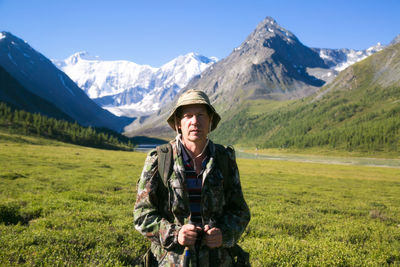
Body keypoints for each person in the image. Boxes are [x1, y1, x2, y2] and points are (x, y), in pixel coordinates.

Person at [134, 89, 250, 266]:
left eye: (201, 115)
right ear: (178, 123)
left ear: (210, 120)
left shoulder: (224, 159)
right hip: (172, 261)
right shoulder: (160, 159)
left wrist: (223, 234)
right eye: (188, 116)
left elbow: (240, 211)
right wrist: (175, 234)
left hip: (217, 261)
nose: (195, 121)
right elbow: (142, 214)